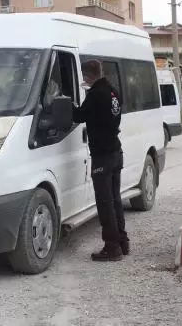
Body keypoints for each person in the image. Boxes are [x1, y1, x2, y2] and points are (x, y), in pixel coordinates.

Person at [73, 59, 129, 261]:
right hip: (115, 151)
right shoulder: (112, 91)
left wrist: (65, 104)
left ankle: (111, 247)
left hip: (103, 156)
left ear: (87, 75)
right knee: (115, 200)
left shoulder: (96, 94)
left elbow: (78, 116)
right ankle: (122, 242)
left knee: (104, 203)